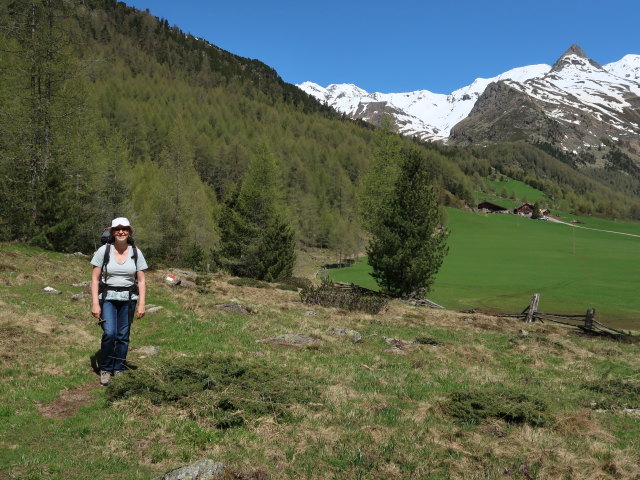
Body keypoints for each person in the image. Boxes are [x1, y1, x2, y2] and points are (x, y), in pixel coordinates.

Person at [90, 217, 148, 386]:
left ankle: (119, 368)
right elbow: (94, 279)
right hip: (107, 298)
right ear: (112, 232)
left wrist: (142, 304)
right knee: (109, 333)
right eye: (117, 229)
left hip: (128, 299)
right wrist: (95, 303)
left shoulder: (136, 252)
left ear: (129, 231)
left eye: (124, 229)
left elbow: (142, 281)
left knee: (123, 336)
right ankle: (106, 368)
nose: (121, 232)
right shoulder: (104, 251)